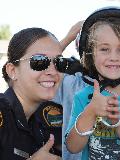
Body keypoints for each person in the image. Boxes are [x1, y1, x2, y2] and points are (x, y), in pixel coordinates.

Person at [54, 16, 120, 160]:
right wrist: (90, 112)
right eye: (104, 49)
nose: (113, 57)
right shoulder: (80, 94)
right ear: (90, 54)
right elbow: (72, 147)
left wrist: (119, 123)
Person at [0, 27, 63, 160]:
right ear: (12, 71)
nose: (53, 71)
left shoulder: (43, 118)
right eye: (39, 61)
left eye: (59, 62)